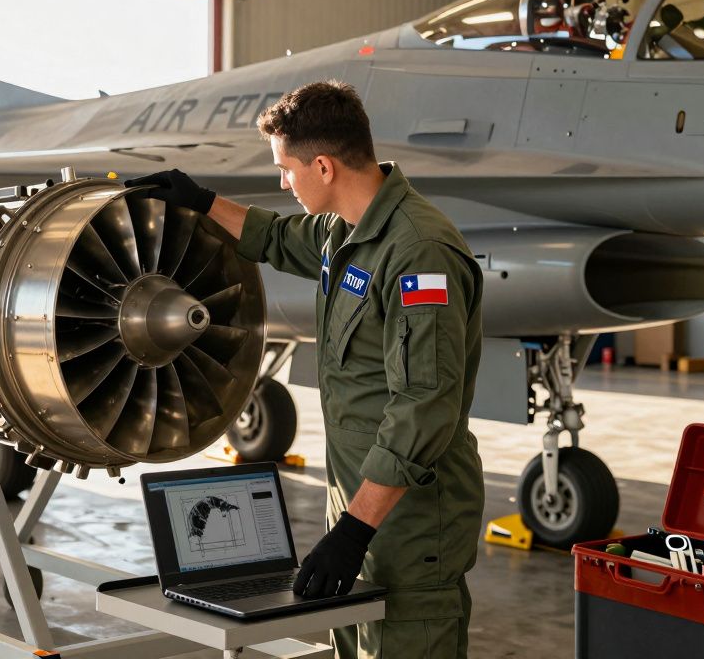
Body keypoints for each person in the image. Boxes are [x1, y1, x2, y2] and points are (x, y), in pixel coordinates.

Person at [127, 80, 485, 659]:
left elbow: (425, 407)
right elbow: (274, 237)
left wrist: (354, 531)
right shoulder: (342, 230)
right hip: (361, 507)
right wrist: (200, 200)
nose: (282, 182)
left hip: (412, 520)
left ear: (321, 166)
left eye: (285, 169)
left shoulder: (419, 252)